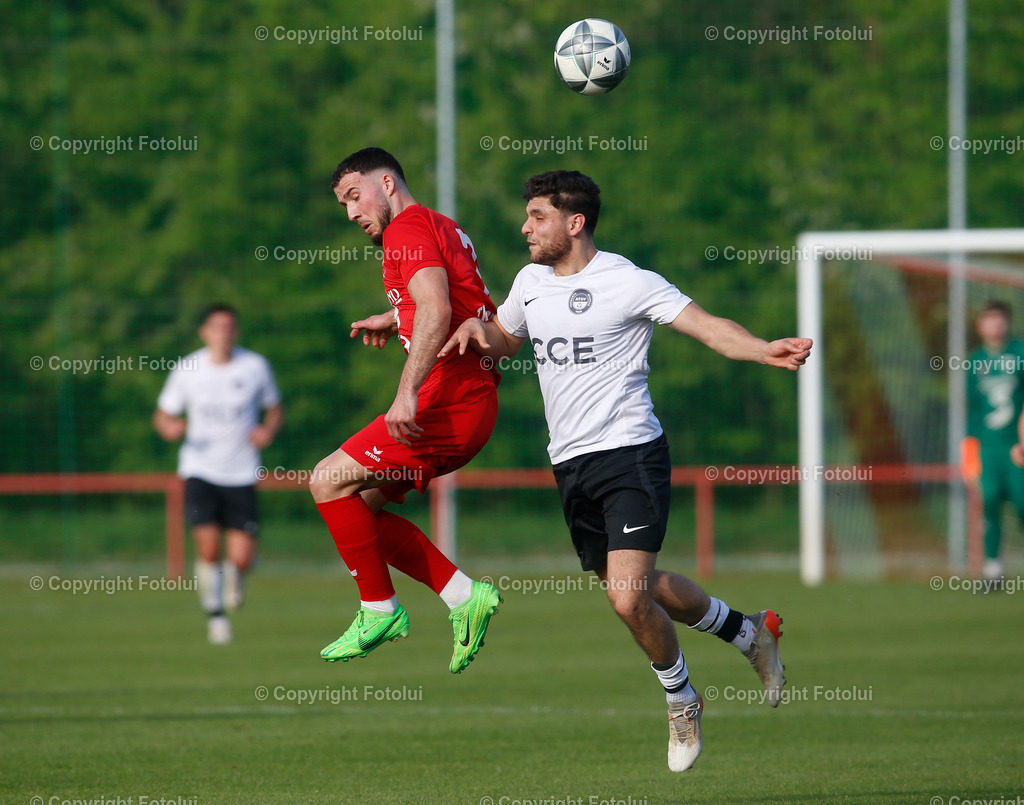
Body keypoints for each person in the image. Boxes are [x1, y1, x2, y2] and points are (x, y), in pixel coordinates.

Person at [440, 170, 812, 772]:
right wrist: (470, 330)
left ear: (575, 222)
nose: (525, 226)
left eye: (537, 216)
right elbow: (506, 338)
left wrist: (761, 347)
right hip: (570, 464)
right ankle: (750, 633)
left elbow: (709, 327)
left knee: (627, 596)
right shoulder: (530, 281)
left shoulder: (627, 280)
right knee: (639, 588)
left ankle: (681, 698)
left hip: (630, 453)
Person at [311, 147, 502, 674]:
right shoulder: (439, 223)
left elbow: (439, 310)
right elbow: (446, 301)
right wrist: (396, 316)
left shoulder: (405, 230)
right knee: (360, 508)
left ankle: (379, 608)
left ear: (388, 183)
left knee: (326, 481)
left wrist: (406, 392)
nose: (351, 213)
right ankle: (464, 597)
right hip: (471, 403)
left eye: (355, 195)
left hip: (449, 400)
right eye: (343, 203)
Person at [154, 303, 284, 644]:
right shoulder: (187, 369)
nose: (223, 333)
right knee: (208, 548)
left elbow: (274, 409)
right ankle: (216, 617)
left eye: (229, 327)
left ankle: (235, 577)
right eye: (216, 327)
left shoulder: (255, 366)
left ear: (236, 332)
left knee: (240, 558)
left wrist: (267, 430)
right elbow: (163, 415)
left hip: (241, 473)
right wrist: (169, 427)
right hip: (199, 470)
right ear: (204, 332)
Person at [965, 300, 1024, 586]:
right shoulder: (975, 360)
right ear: (980, 325)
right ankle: (993, 568)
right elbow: (973, 409)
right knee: (989, 502)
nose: (995, 325)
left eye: (999, 319)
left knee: (1022, 502)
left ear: (1007, 322)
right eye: (989, 319)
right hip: (988, 448)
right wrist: (969, 451)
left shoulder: (1020, 353)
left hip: (1017, 447)